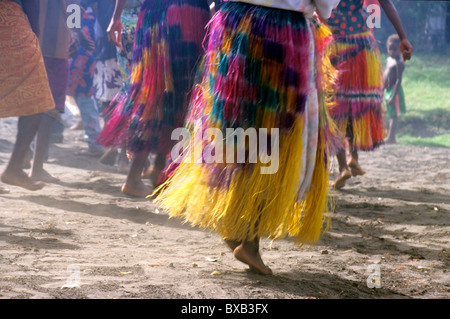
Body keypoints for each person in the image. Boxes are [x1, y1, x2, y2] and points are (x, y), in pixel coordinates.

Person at [153, 0, 341, 275]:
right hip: (281, 32)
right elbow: (324, 7)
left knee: (232, 126)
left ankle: (235, 228)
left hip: (233, 24)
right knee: (272, 134)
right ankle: (248, 239)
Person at [98, 0, 212, 197]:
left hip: (152, 14)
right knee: (182, 92)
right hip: (188, 14)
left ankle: (153, 170)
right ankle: (150, 172)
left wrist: (115, 17)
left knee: (154, 90)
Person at [324, 0, 413, 189]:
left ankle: (342, 167)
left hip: (335, 42)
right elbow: (387, 4)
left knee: (334, 107)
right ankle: (353, 157)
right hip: (362, 43)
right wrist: (403, 36)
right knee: (355, 104)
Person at [0, 0, 55, 191]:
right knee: (38, 99)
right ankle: (20, 166)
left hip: (14, 26)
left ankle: (24, 167)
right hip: (13, 28)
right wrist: (34, 34)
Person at [67, 8, 106, 157]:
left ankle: (95, 143)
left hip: (82, 55)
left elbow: (73, 24)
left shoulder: (77, 8)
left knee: (84, 98)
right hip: (88, 53)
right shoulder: (90, 10)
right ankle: (94, 138)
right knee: (84, 98)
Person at [383, 34, 405, 144]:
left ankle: (391, 138)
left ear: (400, 50)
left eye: (394, 49)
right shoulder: (388, 60)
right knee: (388, 113)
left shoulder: (399, 63)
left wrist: (393, 96)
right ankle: (387, 135)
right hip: (387, 90)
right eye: (389, 48)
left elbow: (398, 80)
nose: (391, 51)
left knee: (393, 115)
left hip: (394, 91)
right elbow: (385, 75)